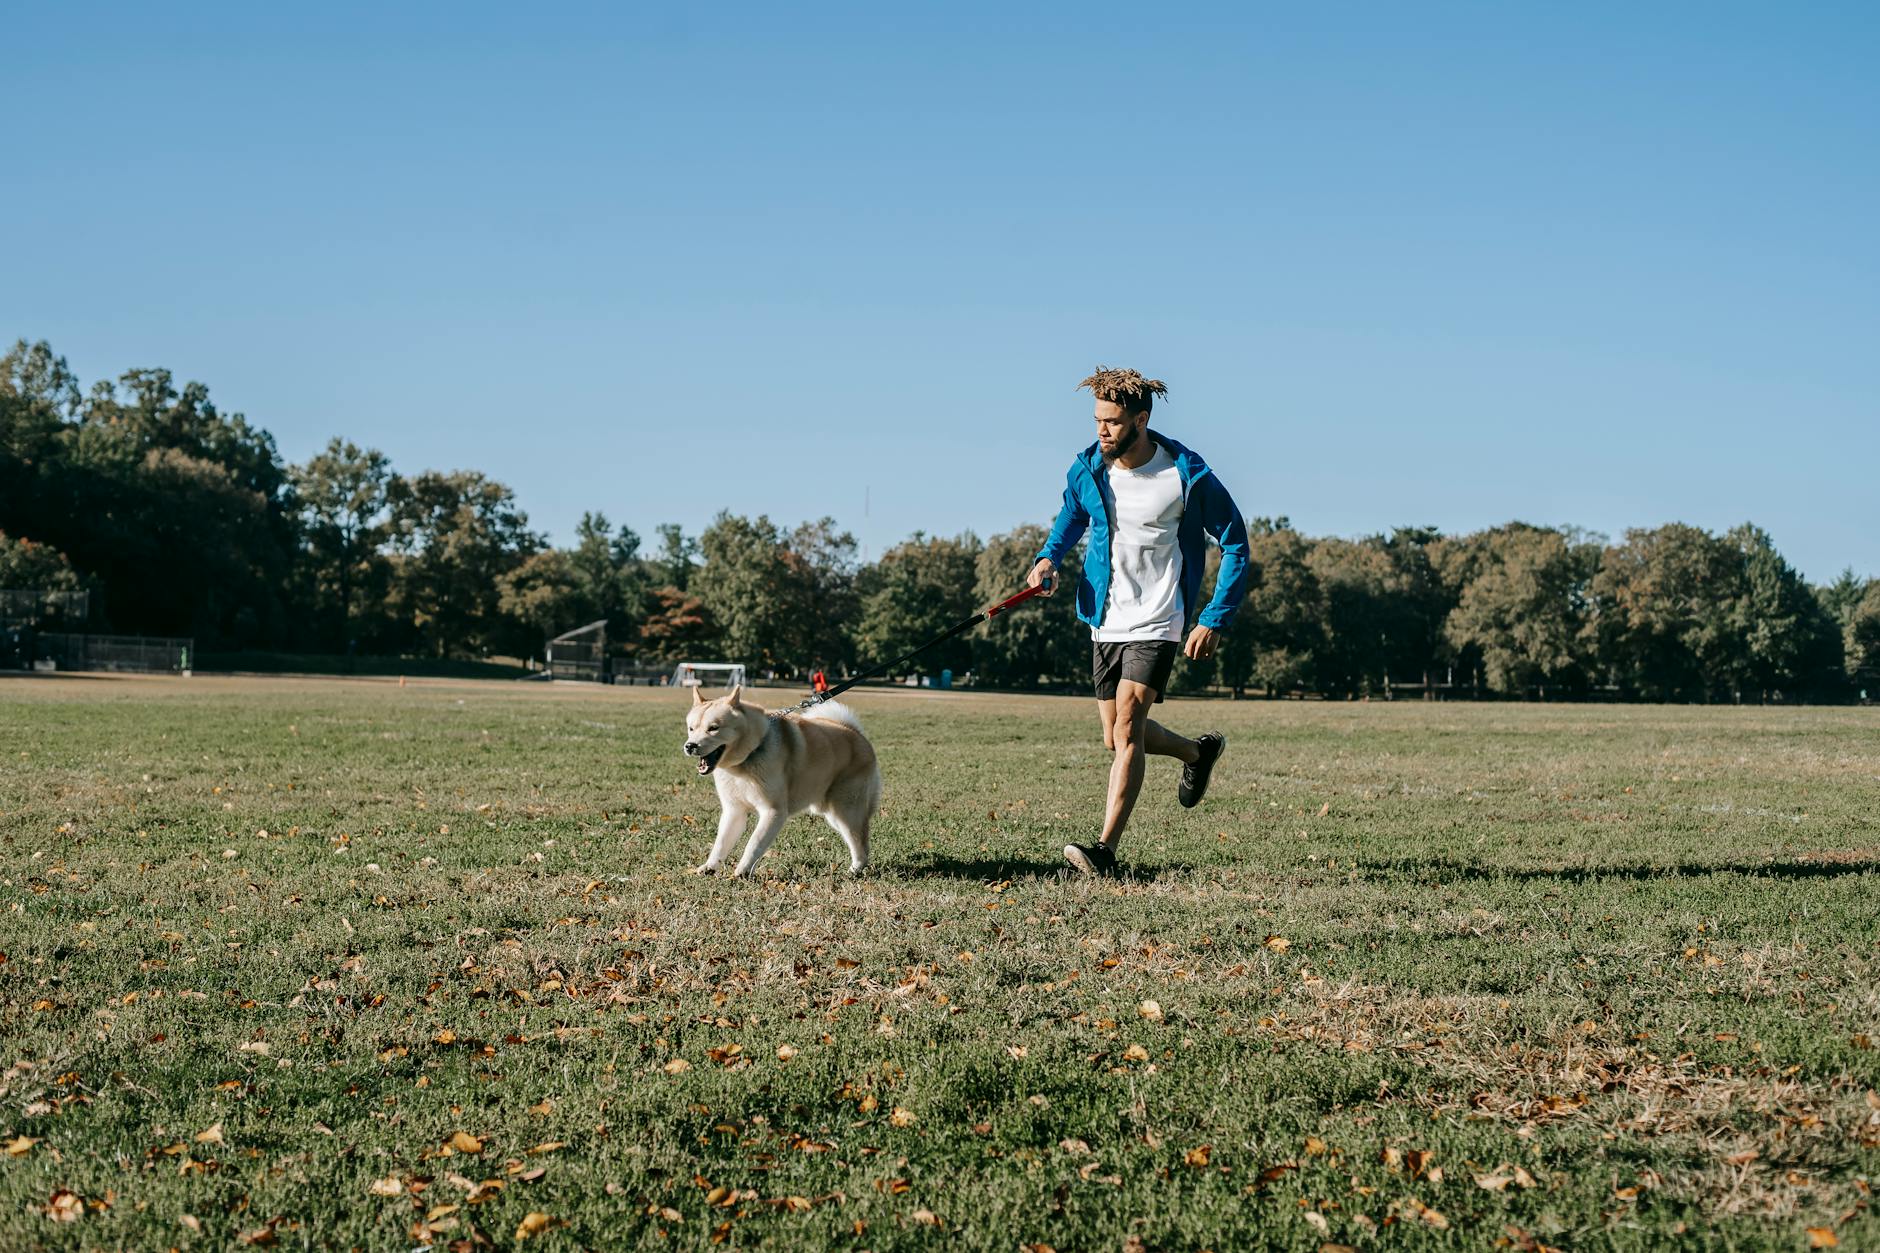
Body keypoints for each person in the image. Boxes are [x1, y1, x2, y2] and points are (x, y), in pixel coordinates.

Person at [1027, 367, 1249, 876]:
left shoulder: (1185, 476)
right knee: (1116, 736)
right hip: (1105, 616)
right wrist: (1048, 559)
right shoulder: (1089, 469)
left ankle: (1104, 851)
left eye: (1112, 421)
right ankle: (1197, 753)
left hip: (1160, 617)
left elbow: (1235, 540)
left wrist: (1213, 617)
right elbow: (1072, 515)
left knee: (1128, 726)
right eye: (1097, 420)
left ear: (1141, 419)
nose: (1101, 430)